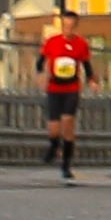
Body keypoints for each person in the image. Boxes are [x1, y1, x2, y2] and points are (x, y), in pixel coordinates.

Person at [37, 14, 94, 181]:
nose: (68, 30)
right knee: (54, 129)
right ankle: (54, 146)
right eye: (65, 26)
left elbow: (86, 65)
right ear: (61, 26)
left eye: (71, 27)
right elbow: (40, 60)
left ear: (75, 27)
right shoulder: (52, 41)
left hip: (71, 88)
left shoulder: (80, 44)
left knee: (68, 125)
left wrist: (92, 80)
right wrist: (40, 74)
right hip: (54, 88)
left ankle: (66, 165)